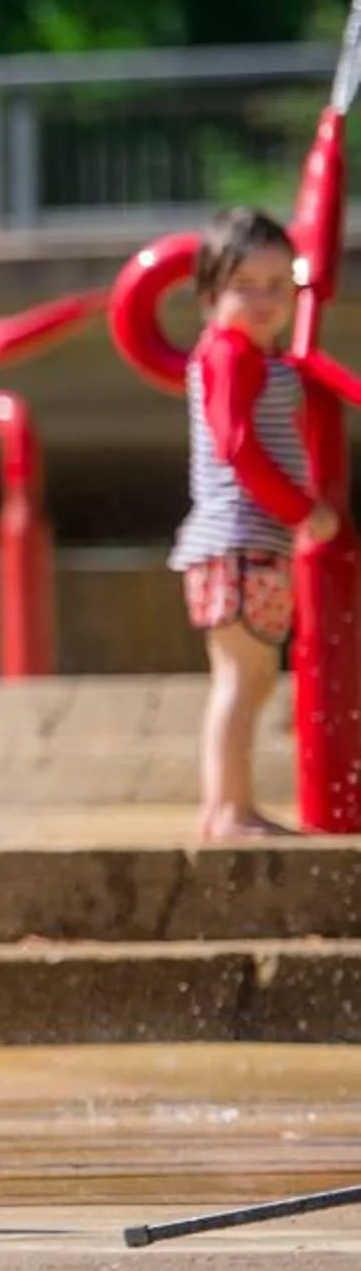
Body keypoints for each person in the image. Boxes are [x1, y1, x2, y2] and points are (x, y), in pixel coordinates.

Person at [170, 205, 361, 841]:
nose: (263, 300)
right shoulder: (228, 354)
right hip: (236, 539)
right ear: (209, 294)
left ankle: (231, 806)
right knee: (241, 677)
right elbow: (237, 447)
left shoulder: (250, 355)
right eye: (244, 286)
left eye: (277, 286)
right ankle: (227, 810)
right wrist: (306, 512)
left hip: (249, 541)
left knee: (249, 679)